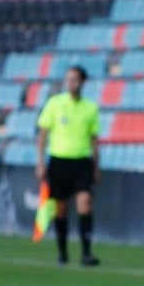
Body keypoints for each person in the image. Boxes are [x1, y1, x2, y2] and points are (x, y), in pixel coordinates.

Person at [35, 66, 101, 267]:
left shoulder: (90, 108)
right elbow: (43, 135)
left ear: (82, 82)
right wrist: (40, 162)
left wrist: (96, 166)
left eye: (74, 79)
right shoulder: (55, 104)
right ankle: (62, 252)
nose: (70, 83)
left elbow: (94, 139)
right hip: (59, 160)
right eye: (68, 79)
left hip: (82, 161)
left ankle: (86, 252)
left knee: (85, 202)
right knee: (60, 208)